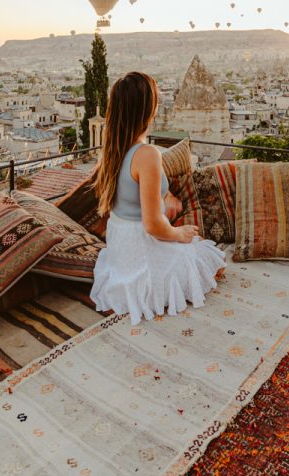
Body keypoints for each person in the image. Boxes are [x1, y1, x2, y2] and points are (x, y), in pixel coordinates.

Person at [90, 71, 225, 325]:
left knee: (202, 257)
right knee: (212, 263)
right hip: (142, 245)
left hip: (121, 244)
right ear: (147, 109)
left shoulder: (112, 150)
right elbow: (152, 224)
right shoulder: (147, 154)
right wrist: (179, 234)